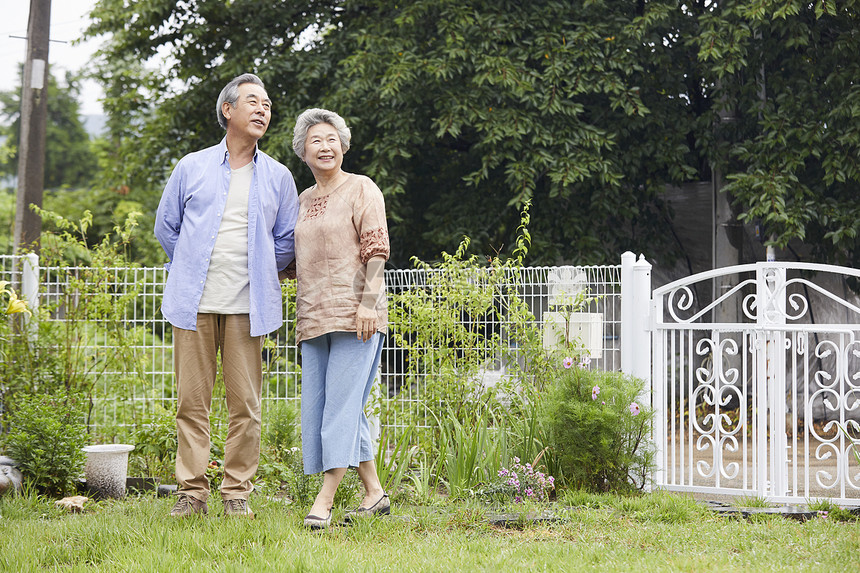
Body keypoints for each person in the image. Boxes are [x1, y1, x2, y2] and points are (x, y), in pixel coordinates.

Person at [154, 73, 299, 518]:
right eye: (253, 102)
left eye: (268, 105)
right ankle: (192, 493)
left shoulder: (278, 176)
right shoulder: (191, 166)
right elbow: (166, 227)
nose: (262, 110)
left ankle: (236, 493)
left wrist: (254, 268)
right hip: (192, 304)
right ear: (228, 110)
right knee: (191, 404)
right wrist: (195, 264)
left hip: (247, 308)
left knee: (247, 407)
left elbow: (286, 240)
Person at [291, 108, 390, 529]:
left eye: (332, 139)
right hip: (313, 318)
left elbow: (376, 249)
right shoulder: (302, 200)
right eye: (316, 140)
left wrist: (368, 303)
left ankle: (324, 500)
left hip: (356, 316)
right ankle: (375, 493)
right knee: (321, 408)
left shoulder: (362, 188)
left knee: (341, 409)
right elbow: (291, 260)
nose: (325, 146)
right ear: (303, 152)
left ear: (344, 145)